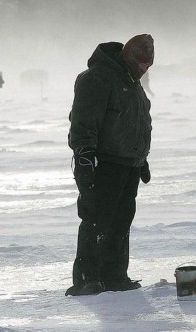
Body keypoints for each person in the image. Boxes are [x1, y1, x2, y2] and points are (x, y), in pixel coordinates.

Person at [65, 34, 154, 296]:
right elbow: (83, 121)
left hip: (129, 164)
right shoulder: (97, 78)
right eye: (140, 64)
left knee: (121, 222)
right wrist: (84, 156)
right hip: (103, 163)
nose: (143, 69)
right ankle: (86, 278)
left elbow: (135, 121)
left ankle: (114, 275)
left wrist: (141, 157)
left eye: (148, 66)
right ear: (128, 56)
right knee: (95, 219)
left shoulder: (130, 80)